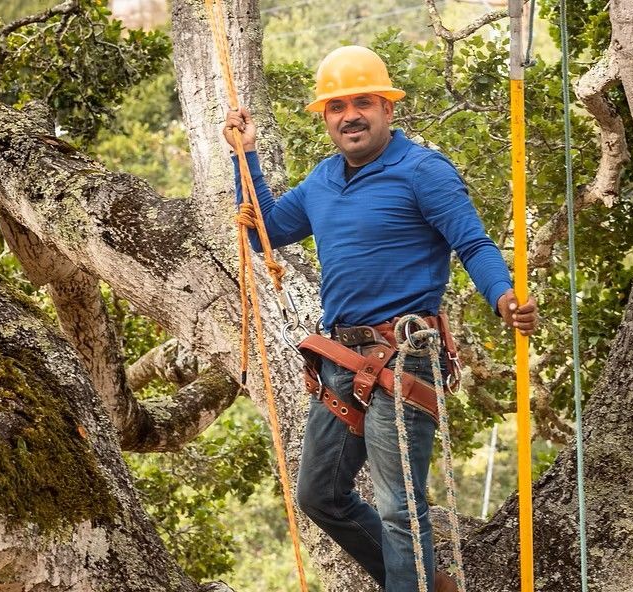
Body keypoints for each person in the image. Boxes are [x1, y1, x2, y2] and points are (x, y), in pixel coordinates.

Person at [224, 45, 537, 592]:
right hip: (343, 359)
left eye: (363, 101)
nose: (351, 115)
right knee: (319, 495)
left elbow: (473, 244)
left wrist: (503, 296)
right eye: (337, 106)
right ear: (325, 118)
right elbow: (264, 231)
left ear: (388, 108)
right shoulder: (323, 180)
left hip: (404, 356)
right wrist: (244, 156)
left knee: (399, 507)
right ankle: (428, 585)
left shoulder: (422, 170)